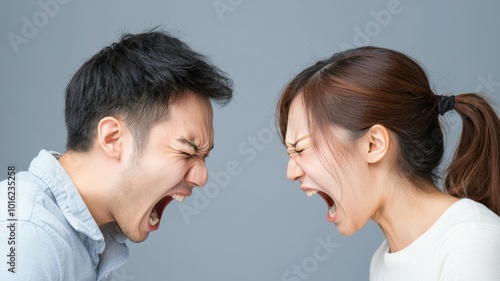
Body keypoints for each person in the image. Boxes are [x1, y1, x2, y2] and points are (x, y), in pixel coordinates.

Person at [0, 30, 233, 280]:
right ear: (113, 138)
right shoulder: (27, 235)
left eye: (204, 157)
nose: (202, 177)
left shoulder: (87, 242)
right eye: (187, 151)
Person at [277, 46, 500, 280]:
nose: (291, 172)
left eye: (301, 149)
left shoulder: (471, 242)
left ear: (373, 144)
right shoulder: (382, 261)